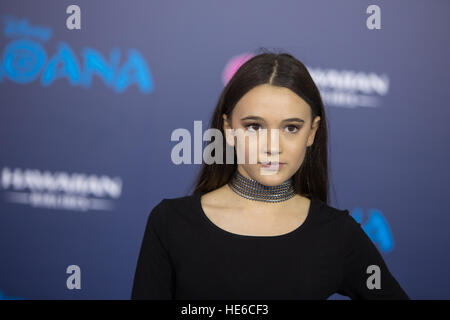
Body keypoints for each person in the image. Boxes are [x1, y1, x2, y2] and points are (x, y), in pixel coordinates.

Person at [131, 50, 410, 300]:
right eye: (254, 127)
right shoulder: (170, 223)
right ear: (228, 129)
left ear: (311, 132)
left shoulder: (338, 234)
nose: (272, 147)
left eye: (291, 128)